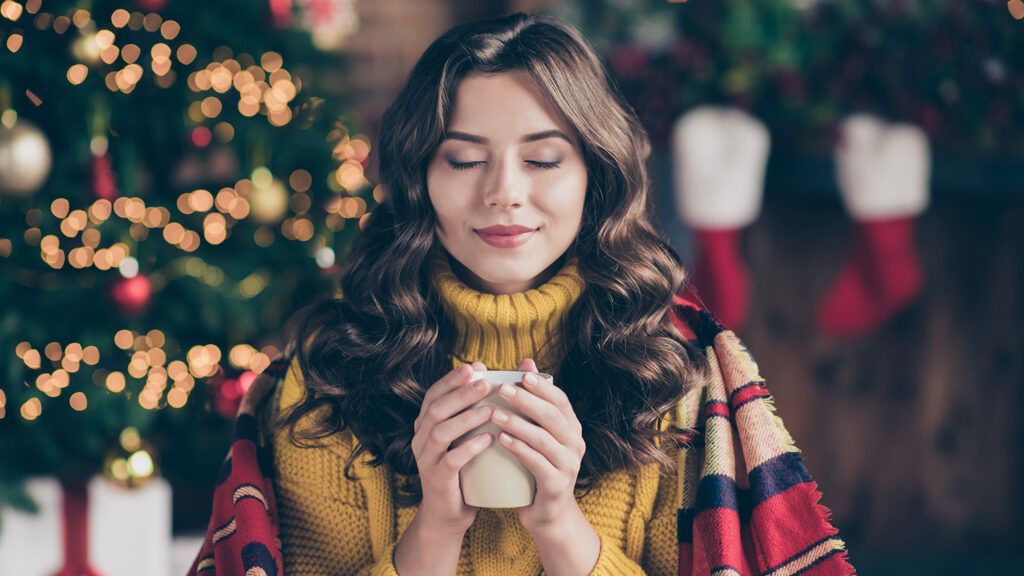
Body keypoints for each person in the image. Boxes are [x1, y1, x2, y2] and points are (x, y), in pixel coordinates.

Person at [189, 12, 854, 576]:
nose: (504, 191)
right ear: (419, 178)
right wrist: (436, 528)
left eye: (543, 159)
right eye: (464, 159)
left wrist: (559, 522)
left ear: (595, 175)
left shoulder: (671, 372)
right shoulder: (334, 371)